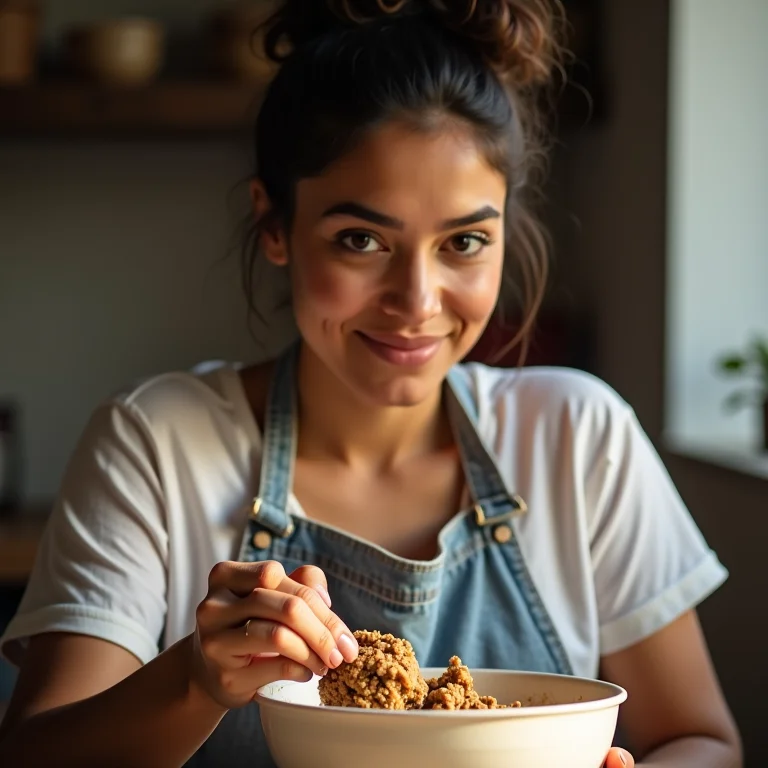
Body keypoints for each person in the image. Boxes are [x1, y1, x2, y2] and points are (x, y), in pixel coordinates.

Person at [0, 1, 742, 766]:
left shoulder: (579, 438)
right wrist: (195, 679)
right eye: (361, 240)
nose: (417, 302)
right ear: (275, 226)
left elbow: (700, 740)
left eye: (463, 242)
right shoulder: (157, 443)